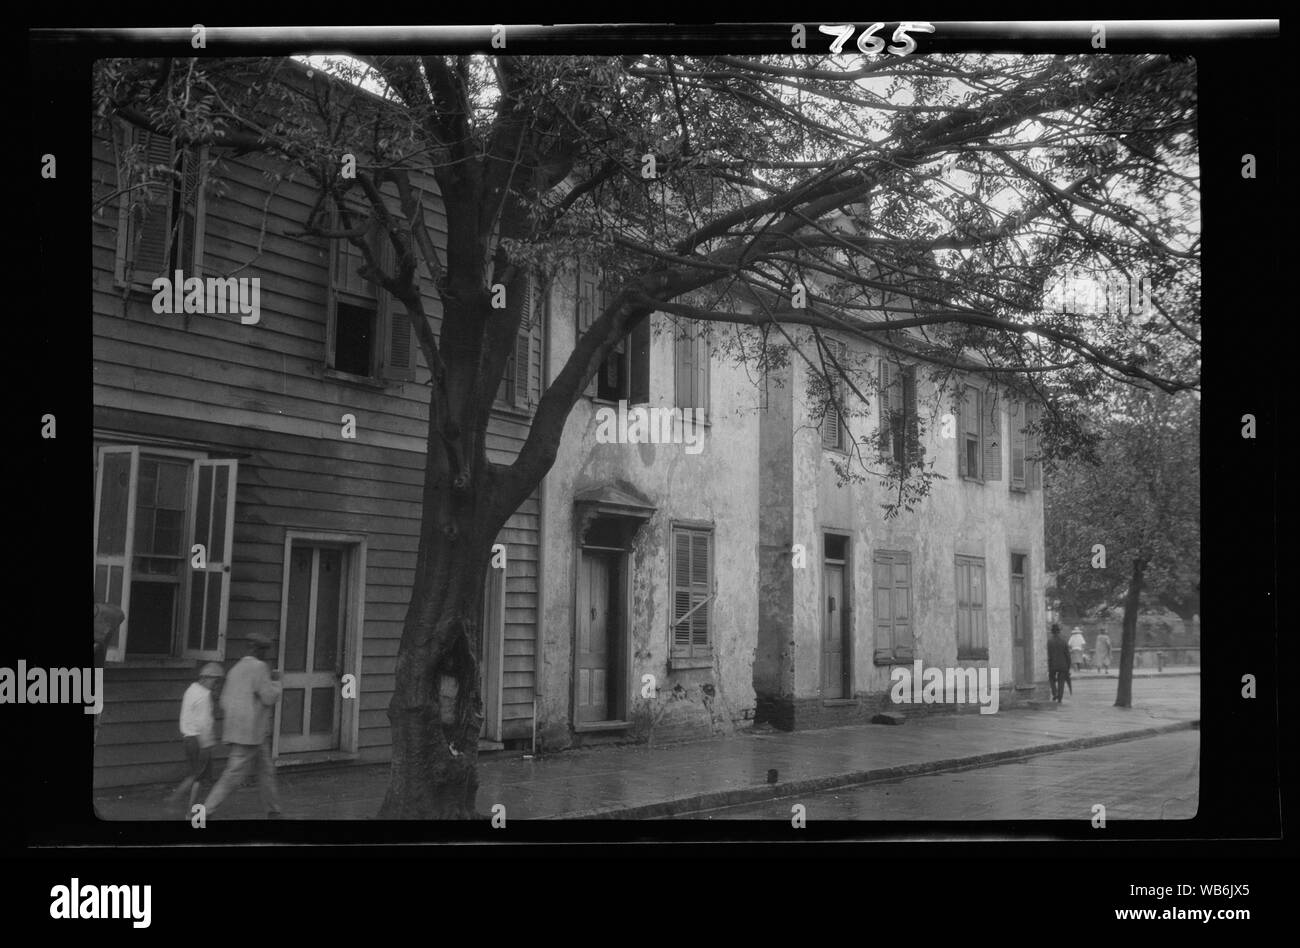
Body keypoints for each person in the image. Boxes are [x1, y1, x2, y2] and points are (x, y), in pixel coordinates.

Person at [202, 632, 283, 818]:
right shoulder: (260, 667)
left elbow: (224, 701)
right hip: (250, 733)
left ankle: (273, 810)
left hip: (246, 731)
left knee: (266, 771)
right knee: (232, 775)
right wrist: (277, 681)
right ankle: (203, 812)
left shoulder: (235, 669)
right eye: (263, 650)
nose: (265, 655)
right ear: (257, 650)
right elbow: (269, 697)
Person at [170, 662, 224, 809]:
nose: (216, 685)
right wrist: (208, 743)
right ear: (205, 678)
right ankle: (188, 808)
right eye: (215, 681)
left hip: (188, 737)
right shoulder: (204, 695)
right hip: (200, 740)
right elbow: (204, 722)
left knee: (195, 775)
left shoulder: (191, 690)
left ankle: (176, 801)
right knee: (198, 777)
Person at [1047, 623, 1071, 703]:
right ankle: (1060, 698)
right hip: (1063, 665)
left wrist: (1049, 666)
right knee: (1061, 681)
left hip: (1053, 664)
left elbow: (1049, 655)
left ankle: (1055, 693)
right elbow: (1067, 655)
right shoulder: (1063, 641)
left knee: (1051, 678)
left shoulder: (1049, 642)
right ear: (1059, 631)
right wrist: (1068, 667)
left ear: (1052, 632)